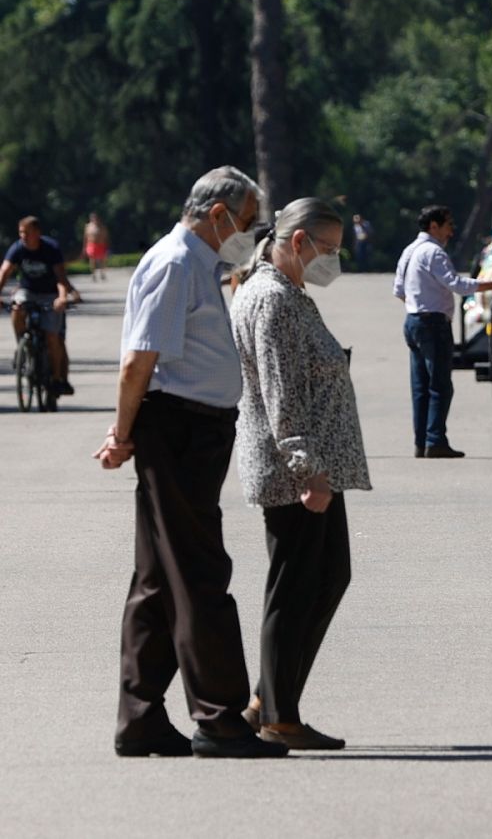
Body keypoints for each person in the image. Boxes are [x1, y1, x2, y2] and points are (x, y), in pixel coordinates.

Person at [92, 165, 288, 759]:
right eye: (247, 221)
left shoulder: (201, 265)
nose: (250, 233)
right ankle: (219, 717)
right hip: (177, 430)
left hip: (191, 430)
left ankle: (141, 719)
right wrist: (122, 434)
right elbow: (138, 361)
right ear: (217, 214)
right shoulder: (175, 263)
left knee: (158, 582)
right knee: (202, 573)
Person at [232, 198, 369, 751]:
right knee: (295, 589)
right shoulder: (273, 300)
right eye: (328, 249)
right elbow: (279, 391)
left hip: (311, 464)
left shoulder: (287, 293)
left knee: (326, 576)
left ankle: (269, 697)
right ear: (297, 242)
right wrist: (307, 467)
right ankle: (279, 715)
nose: (332, 260)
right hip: (297, 469)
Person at [393, 204, 492, 458]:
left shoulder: (409, 251)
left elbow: (399, 290)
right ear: (433, 226)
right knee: (440, 386)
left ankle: (421, 441)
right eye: (448, 226)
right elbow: (456, 284)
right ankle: (435, 441)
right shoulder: (434, 253)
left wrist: (418, 306)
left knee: (420, 386)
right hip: (433, 323)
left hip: (413, 321)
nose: (451, 232)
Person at [1, 216, 81, 396]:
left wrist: (61, 298)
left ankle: (55, 377)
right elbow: (4, 271)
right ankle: (22, 345)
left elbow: (61, 279)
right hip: (27, 290)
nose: (23, 236)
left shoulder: (50, 248)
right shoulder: (18, 248)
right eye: (21, 232)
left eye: (27, 232)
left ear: (37, 233)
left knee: (53, 337)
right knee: (17, 308)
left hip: (50, 294)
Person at [84, 212, 110, 282]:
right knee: (92, 260)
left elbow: (106, 237)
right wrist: (84, 247)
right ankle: (93, 274)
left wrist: (107, 245)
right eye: (93, 217)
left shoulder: (102, 226)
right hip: (91, 245)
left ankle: (102, 273)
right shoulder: (88, 226)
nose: (94, 219)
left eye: (95, 217)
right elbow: (85, 237)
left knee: (102, 260)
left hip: (101, 245)